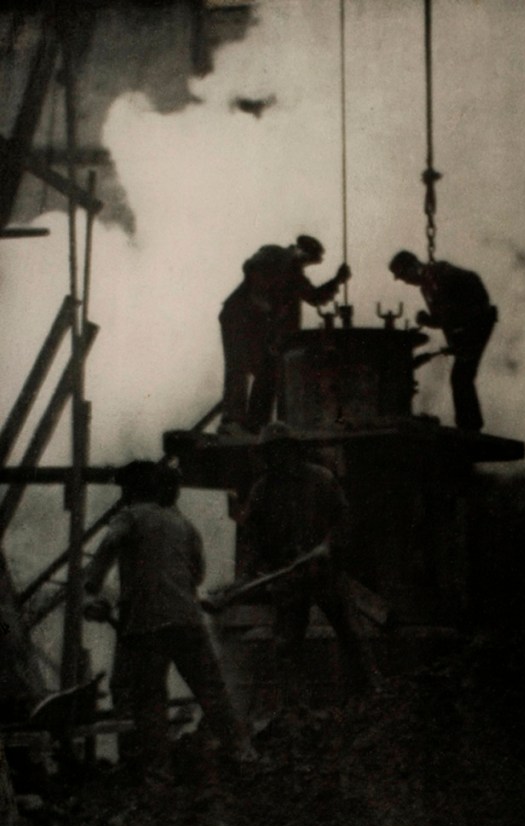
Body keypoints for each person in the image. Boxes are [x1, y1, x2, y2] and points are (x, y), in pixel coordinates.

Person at [83, 460, 254, 783]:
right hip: (188, 621)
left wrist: (92, 588)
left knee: (150, 699)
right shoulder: (184, 524)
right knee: (212, 691)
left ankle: (158, 774)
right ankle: (243, 755)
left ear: (130, 490)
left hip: (147, 626)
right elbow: (197, 574)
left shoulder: (129, 516)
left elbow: (109, 546)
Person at [237, 422, 381, 705]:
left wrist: (328, 544)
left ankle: (374, 693)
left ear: (293, 451)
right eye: (271, 452)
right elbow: (251, 536)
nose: (277, 458)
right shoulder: (262, 490)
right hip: (288, 576)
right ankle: (294, 707)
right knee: (286, 645)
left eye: (282, 450)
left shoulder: (321, 479)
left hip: (324, 571)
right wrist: (249, 571)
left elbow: (344, 520)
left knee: (351, 633)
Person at [218, 235, 351, 434]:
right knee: (238, 367)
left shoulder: (294, 274)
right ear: (300, 252)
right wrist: (262, 299)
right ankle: (233, 421)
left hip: (258, 326)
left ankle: (256, 425)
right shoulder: (275, 255)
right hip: (238, 317)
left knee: (268, 370)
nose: (305, 264)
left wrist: (337, 280)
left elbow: (314, 297)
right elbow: (250, 266)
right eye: (307, 259)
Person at [389, 250, 497, 432]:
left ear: (413, 267)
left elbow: (454, 310)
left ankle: (470, 427)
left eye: (403, 275)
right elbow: (444, 319)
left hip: (477, 323)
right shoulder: (427, 286)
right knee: (461, 376)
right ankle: (469, 425)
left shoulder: (439, 274)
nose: (405, 281)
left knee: (461, 377)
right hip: (467, 328)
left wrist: (458, 333)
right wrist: (429, 322)